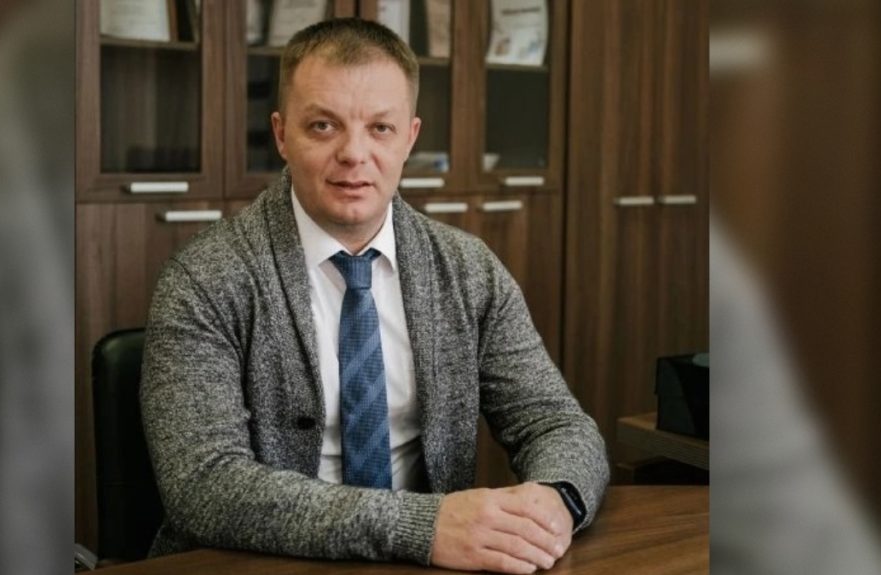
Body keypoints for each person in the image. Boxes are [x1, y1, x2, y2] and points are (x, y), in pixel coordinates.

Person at [140, 18, 608, 574]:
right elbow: (204, 485)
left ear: (410, 137)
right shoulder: (205, 279)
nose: (354, 154)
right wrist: (421, 526)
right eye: (323, 126)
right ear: (282, 135)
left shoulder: (469, 270)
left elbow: (556, 423)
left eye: (380, 128)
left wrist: (556, 498)